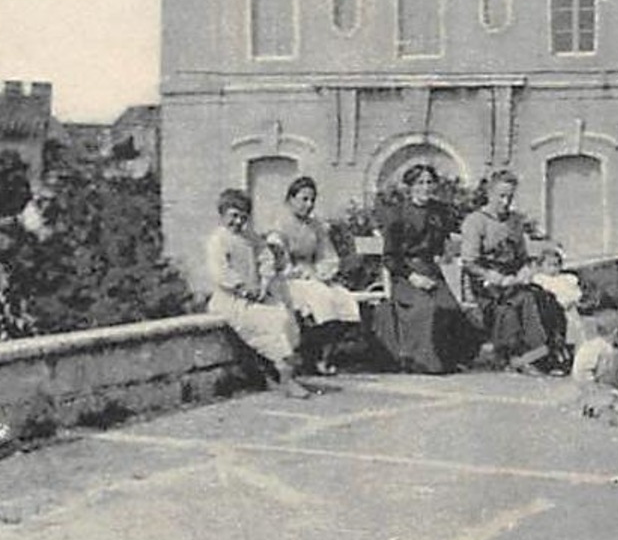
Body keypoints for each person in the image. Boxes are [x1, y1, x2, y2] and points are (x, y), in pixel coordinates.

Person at [373, 163, 480, 374]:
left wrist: (453, 249)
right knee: (426, 308)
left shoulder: (439, 211)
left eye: (429, 182)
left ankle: (450, 359)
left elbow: (450, 237)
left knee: (450, 308)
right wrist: (412, 277)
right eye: (420, 183)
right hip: (405, 274)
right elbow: (390, 258)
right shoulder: (398, 214)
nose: (425, 187)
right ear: (410, 186)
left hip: (431, 270)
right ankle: (420, 360)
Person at [459, 170, 568, 374]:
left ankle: (550, 352)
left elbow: (523, 258)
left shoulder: (514, 221)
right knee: (520, 302)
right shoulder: (475, 221)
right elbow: (469, 263)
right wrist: (496, 278)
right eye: (501, 196)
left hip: (513, 280)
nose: (506, 202)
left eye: (510, 196)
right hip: (487, 283)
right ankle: (524, 358)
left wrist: (526, 271)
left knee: (545, 298)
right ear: (489, 194)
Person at [204, 189, 309, 399]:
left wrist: (263, 284)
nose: (237, 221)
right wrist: (242, 288)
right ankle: (286, 379)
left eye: (242, 217)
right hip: (230, 299)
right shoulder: (218, 239)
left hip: (254, 296)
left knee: (283, 316)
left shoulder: (249, 236)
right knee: (269, 323)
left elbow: (266, 258)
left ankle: (281, 374)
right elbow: (220, 272)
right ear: (223, 214)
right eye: (233, 215)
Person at [267, 175, 364, 375]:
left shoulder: (316, 226)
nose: (309, 205)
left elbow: (326, 255)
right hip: (289, 279)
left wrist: (322, 272)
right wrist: (296, 271)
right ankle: (313, 356)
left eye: (312, 200)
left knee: (342, 297)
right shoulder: (279, 224)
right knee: (322, 297)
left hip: (313, 276)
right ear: (291, 199)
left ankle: (325, 355)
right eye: (304, 199)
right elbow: (277, 258)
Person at [531, 247, 588, 350]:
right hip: (552, 308)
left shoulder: (564, 279)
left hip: (568, 307)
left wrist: (572, 299)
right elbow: (546, 295)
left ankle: (574, 347)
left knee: (575, 326)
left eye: (556, 265)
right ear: (541, 266)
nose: (553, 269)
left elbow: (574, 292)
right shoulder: (541, 279)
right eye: (549, 265)